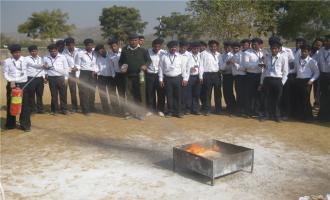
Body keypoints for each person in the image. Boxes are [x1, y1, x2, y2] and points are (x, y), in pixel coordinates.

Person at [118, 34, 151, 120]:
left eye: (135, 40)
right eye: (132, 40)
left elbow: (149, 60)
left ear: (138, 41)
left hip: (140, 76)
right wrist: (122, 67)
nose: (133, 42)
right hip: (128, 76)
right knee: (129, 95)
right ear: (129, 41)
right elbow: (120, 61)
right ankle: (131, 112)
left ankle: (141, 113)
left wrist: (145, 65)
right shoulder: (125, 50)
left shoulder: (143, 50)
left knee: (141, 95)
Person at [3, 44, 32, 132]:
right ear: (12, 53)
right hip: (11, 85)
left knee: (25, 105)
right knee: (11, 104)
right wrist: (11, 80)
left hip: (23, 84)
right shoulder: (7, 61)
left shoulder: (25, 60)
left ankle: (25, 125)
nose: (17, 54)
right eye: (15, 53)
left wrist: (43, 66)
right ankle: (10, 124)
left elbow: (34, 65)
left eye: (19, 52)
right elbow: (5, 73)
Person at [259, 40, 288, 122]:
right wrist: (261, 82)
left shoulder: (283, 57)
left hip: (278, 80)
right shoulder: (267, 57)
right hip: (267, 80)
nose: (273, 50)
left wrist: (282, 83)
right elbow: (264, 70)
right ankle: (266, 115)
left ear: (279, 49)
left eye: (275, 49)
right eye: (272, 49)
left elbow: (285, 72)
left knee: (277, 99)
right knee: (267, 98)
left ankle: (277, 116)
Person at [159, 40, 187, 118]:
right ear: (168, 48)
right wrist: (161, 79)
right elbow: (160, 68)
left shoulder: (180, 57)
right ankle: (170, 111)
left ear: (177, 48)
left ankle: (178, 112)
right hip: (167, 79)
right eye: (171, 47)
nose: (173, 49)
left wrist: (184, 78)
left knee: (178, 95)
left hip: (178, 78)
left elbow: (183, 69)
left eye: (175, 47)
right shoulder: (163, 57)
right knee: (169, 95)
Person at [293, 44, 319, 121]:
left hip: (307, 82)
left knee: (306, 99)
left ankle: (308, 117)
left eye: (305, 52)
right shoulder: (297, 60)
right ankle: (300, 115)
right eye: (302, 51)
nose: (303, 53)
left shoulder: (312, 61)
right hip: (298, 81)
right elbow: (295, 70)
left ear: (309, 52)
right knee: (299, 99)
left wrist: (311, 80)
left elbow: (317, 72)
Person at [43, 44, 69, 115]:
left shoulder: (62, 57)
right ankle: (55, 110)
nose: (54, 52)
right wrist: (45, 76)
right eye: (52, 51)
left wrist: (66, 78)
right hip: (51, 78)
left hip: (61, 77)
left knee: (63, 94)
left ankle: (64, 109)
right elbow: (44, 69)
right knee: (54, 95)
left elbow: (66, 68)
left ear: (57, 50)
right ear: (49, 51)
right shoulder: (45, 58)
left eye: (55, 51)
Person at [75, 38, 98, 115]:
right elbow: (77, 65)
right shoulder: (80, 53)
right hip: (83, 73)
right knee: (84, 92)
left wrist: (95, 70)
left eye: (91, 45)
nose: (90, 47)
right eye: (88, 45)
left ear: (93, 45)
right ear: (85, 46)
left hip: (93, 74)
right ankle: (85, 110)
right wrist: (78, 77)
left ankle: (92, 107)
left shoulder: (95, 53)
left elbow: (96, 64)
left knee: (92, 91)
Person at [200, 40, 223, 115]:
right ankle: (207, 109)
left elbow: (221, 66)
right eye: (212, 46)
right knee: (207, 93)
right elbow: (201, 66)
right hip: (207, 75)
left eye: (215, 46)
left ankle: (218, 109)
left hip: (216, 75)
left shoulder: (219, 55)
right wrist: (201, 76)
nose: (213, 48)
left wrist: (228, 63)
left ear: (217, 47)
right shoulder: (204, 54)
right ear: (209, 46)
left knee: (218, 92)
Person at [242, 38, 264, 117]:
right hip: (250, 75)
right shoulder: (247, 53)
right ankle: (248, 111)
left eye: (256, 44)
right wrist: (257, 65)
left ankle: (256, 111)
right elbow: (245, 65)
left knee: (258, 94)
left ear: (260, 45)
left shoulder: (263, 53)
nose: (254, 46)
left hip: (260, 75)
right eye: (253, 44)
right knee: (249, 94)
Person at [145, 38, 166, 117]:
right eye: (155, 46)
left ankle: (160, 109)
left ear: (160, 46)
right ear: (152, 46)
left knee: (161, 93)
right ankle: (151, 109)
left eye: (158, 47)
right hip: (150, 75)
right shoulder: (147, 52)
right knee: (150, 93)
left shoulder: (164, 53)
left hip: (159, 75)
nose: (157, 48)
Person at [95, 44, 115, 113]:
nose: (99, 52)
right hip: (101, 78)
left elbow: (113, 67)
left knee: (112, 93)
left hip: (110, 78)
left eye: (100, 51)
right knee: (102, 94)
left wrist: (113, 75)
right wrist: (95, 71)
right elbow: (96, 67)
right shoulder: (98, 58)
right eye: (98, 52)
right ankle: (106, 109)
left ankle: (115, 107)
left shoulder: (110, 56)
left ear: (103, 49)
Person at [184, 41, 203, 115]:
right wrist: (190, 69)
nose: (196, 50)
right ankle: (188, 109)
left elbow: (201, 66)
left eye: (197, 48)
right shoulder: (188, 55)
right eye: (194, 49)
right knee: (188, 94)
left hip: (197, 77)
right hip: (189, 77)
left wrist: (201, 77)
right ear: (191, 48)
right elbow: (185, 66)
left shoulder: (200, 55)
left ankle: (195, 109)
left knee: (196, 94)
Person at [25, 45, 45, 113]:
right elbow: (33, 65)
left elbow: (43, 69)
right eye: (32, 51)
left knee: (40, 94)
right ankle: (32, 109)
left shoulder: (41, 58)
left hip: (40, 78)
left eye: (35, 51)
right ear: (30, 52)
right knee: (31, 94)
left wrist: (44, 77)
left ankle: (40, 109)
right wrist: (42, 65)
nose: (34, 52)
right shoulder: (27, 59)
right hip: (31, 78)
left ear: (37, 51)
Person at [108, 38, 125, 115]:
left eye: (115, 46)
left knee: (121, 93)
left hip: (123, 75)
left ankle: (123, 108)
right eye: (112, 47)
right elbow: (111, 66)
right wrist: (113, 75)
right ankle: (115, 108)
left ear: (118, 45)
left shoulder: (124, 52)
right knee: (112, 93)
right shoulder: (110, 55)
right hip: (115, 75)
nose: (113, 48)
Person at [63, 37, 80, 112]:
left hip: (79, 73)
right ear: (66, 45)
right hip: (68, 74)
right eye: (68, 45)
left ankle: (76, 107)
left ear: (74, 44)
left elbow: (80, 63)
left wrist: (77, 68)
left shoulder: (79, 51)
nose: (70, 46)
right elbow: (64, 65)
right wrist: (70, 70)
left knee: (77, 91)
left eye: (72, 44)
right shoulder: (64, 53)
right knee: (67, 91)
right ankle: (65, 107)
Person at [229, 41, 246, 115]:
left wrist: (234, 63)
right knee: (238, 93)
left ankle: (240, 110)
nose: (235, 49)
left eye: (236, 48)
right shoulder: (233, 56)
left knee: (241, 94)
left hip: (241, 76)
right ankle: (239, 109)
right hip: (236, 76)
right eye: (234, 48)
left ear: (240, 48)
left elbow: (244, 68)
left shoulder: (242, 55)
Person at [220, 41, 236, 114]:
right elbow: (221, 66)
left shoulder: (233, 55)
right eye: (225, 47)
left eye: (228, 47)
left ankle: (232, 106)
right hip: (224, 74)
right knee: (225, 91)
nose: (227, 48)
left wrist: (225, 65)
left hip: (231, 74)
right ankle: (228, 105)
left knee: (230, 91)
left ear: (231, 48)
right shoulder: (222, 55)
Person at [317, 34, 330, 122]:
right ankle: (322, 116)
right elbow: (317, 62)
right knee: (323, 96)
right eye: (325, 41)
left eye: (327, 41)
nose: (325, 42)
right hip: (322, 76)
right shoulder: (321, 50)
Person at [179, 40, 192, 114]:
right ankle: (177, 108)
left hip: (185, 77)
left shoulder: (189, 55)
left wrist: (186, 79)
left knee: (184, 94)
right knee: (177, 94)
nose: (183, 49)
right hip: (176, 76)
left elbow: (188, 68)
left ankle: (183, 109)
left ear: (187, 47)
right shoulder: (176, 54)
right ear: (179, 47)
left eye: (185, 48)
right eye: (181, 47)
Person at [311, 38, 323, 107]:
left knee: (317, 89)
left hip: (318, 74)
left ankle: (317, 102)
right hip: (309, 74)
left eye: (319, 45)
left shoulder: (322, 52)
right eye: (316, 44)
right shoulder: (310, 51)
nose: (317, 46)